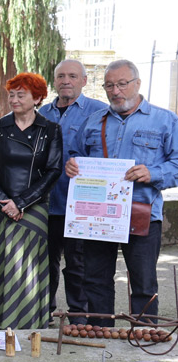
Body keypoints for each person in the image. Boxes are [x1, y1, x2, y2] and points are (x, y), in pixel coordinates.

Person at [67, 59, 178, 326]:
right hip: (97, 217)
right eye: (109, 86)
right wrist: (73, 166)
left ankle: (142, 337)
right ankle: (100, 334)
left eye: (122, 84)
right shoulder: (94, 122)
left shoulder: (165, 120)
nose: (115, 91)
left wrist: (153, 173)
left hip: (141, 215)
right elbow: (76, 155)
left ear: (137, 84)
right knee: (95, 280)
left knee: (142, 282)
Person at [0, 73, 62, 330]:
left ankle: (30, 322)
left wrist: (22, 203)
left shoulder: (50, 130)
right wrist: (5, 201)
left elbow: (53, 170)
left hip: (34, 207)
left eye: (20, 94)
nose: (14, 99)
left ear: (37, 98)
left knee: (29, 267)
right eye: (11, 94)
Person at [37, 60, 108, 324]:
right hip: (45, 204)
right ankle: (45, 311)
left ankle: (79, 316)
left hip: (80, 207)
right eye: (61, 76)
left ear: (84, 81)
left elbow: (104, 156)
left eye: (72, 76)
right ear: (54, 81)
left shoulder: (100, 112)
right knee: (45, 263)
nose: (66, 81)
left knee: (77, 265)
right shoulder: (42, 113)